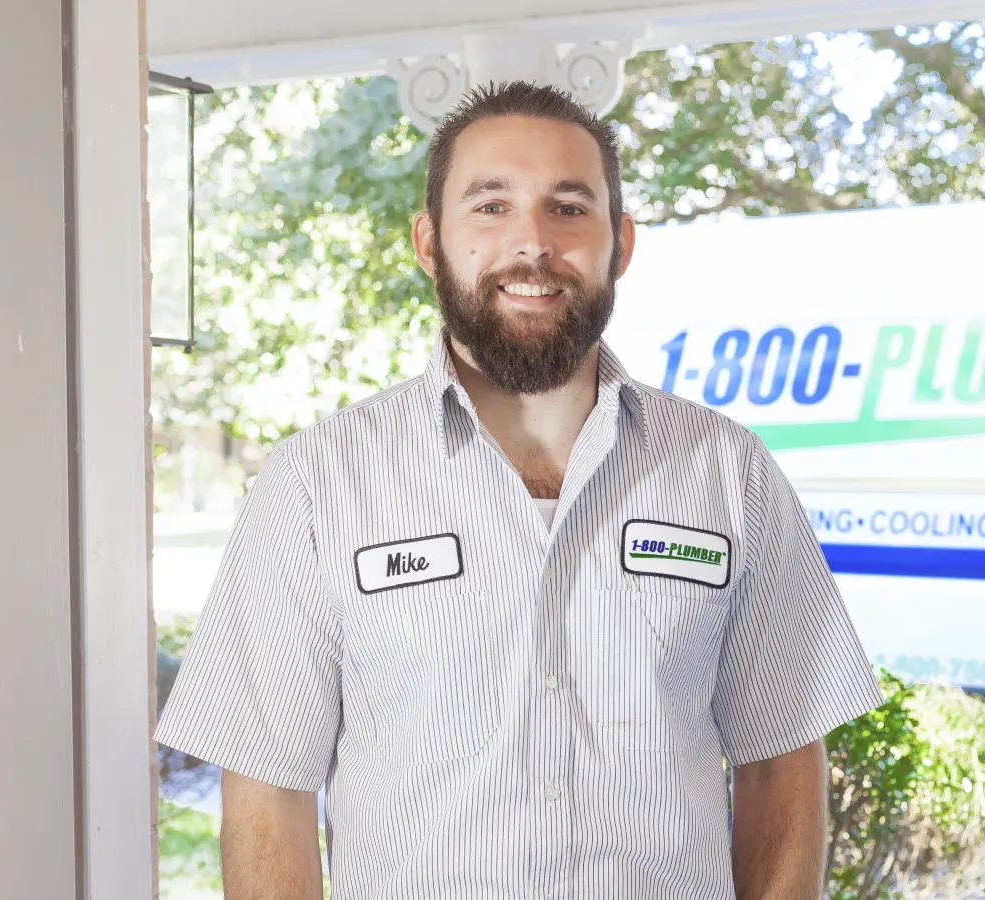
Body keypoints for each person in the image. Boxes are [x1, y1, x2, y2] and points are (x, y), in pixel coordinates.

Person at [155, 80, 883, 900]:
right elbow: (268, 790)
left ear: (622, 244)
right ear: (430, 243)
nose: (532, 243)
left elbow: (781, 762)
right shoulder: (317, 485)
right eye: (490, 206)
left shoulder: (728, 472)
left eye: (569, 207)